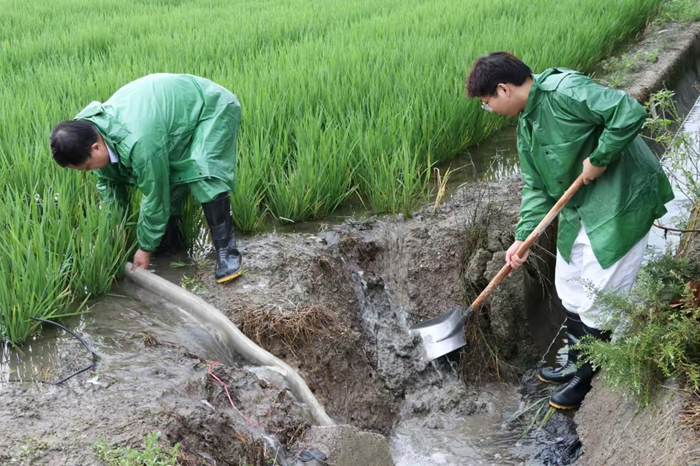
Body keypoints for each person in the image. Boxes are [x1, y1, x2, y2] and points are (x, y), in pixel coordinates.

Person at [465, 52, 674, 409]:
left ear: (504, 89)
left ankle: (586, 378)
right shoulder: (527, 125)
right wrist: (523, 236)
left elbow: (628, 111)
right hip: (579, 210)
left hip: (618, 202)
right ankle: (576, 360)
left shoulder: (566, 91)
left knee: (600, 295)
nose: (490, 111)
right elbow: (534, 187)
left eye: (487, 104)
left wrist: (601, 157)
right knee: (570, 285)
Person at [50, 73, 244, 284]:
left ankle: (227, 253)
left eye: (87, 167)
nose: (88, 171)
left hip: (210, 107)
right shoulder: (88, 134)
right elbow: (110, 189)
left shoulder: (138, 142)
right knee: (171, 177)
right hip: (171, 121)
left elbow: (155, 194)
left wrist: (144, 249)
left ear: (95, 148)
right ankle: (173, 246)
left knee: (202, 171)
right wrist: (117, 229)